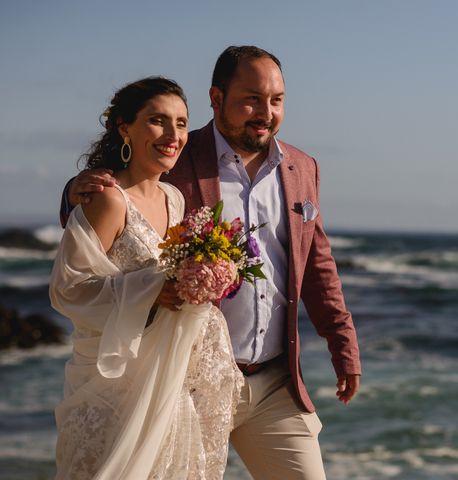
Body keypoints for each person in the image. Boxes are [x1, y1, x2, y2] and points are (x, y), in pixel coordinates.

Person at [62, 46, 361, 479]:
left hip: (274, 379)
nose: (265, 111)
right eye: (251, 99)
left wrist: (343, 345)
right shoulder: (177, 151)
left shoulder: (302, 168)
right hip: (188, 382)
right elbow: (112, 199)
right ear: (216, 99)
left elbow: (316, 265)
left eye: (276, 100)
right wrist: (74, 191)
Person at [50, 77, 243, 479]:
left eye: (181, 123)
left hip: (171, 387)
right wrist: (151, 291)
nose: (173, 135)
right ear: (125, 128)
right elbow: (67, 290)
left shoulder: (175, 198)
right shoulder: (107, 197)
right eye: (157, 121)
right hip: (116, 390)